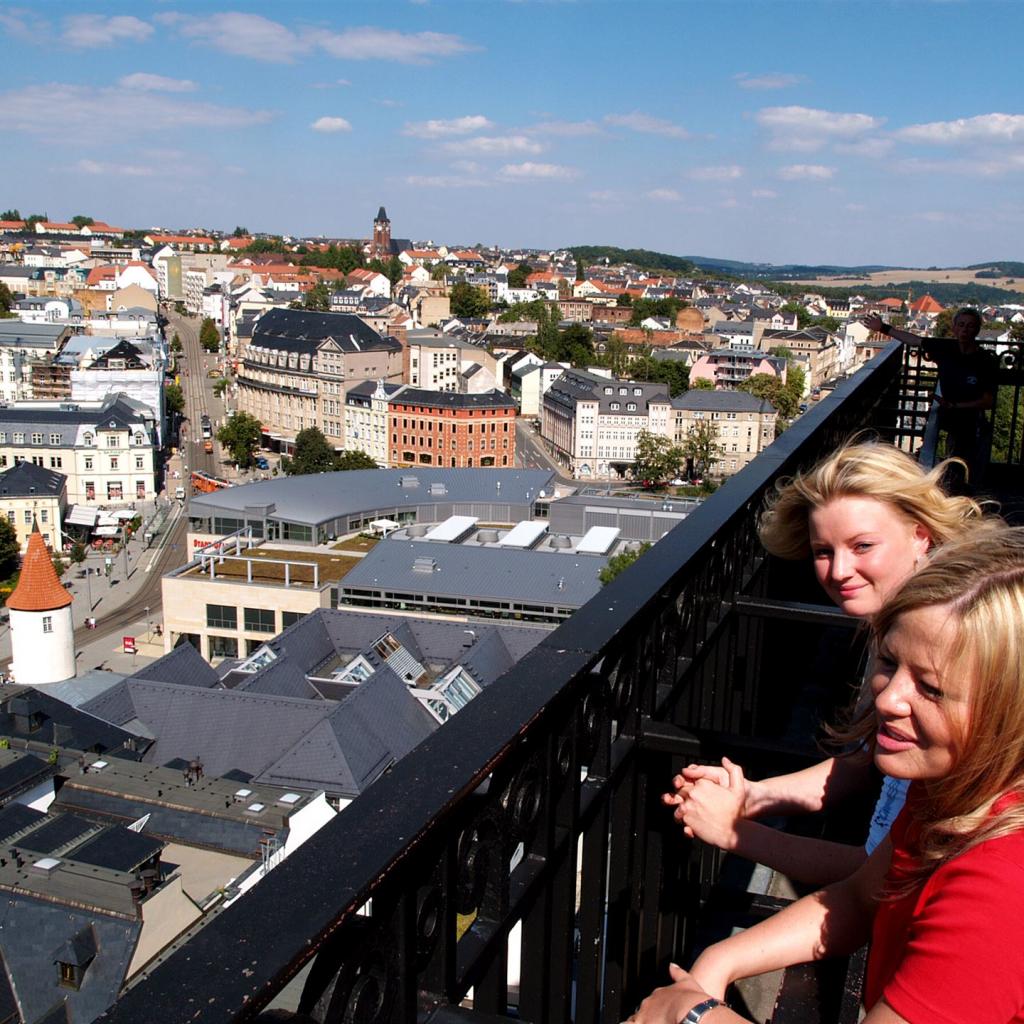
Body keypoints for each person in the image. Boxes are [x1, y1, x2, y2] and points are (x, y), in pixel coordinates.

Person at [631, 525, 1024, 1024]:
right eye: (889, 662)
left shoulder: (1002, 884)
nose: (888, 699)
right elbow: (860, 897)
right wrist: (719, 960)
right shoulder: (954, 787)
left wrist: (691, 1015)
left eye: (931, 688)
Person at [666, 442, 985, 886]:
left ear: (920, 535)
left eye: (862, 546)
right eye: (823, 551)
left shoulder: (950, 640)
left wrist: (736, 832)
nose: (838, 571)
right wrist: (752, 796)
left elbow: (884, 877)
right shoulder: (904, 620)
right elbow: (860, 763)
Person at [861, 309, 998, 483]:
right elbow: (914, 340)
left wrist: (955, 406)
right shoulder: (947, 349)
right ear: (954, 328)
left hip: (970, 422)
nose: (965, 330)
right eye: (961, 325)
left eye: (970, 326)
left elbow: (987, 401)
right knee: (956, 464)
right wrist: (883, 328)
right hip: (951, 417)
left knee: (963, 466)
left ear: (977, 330)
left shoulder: (984, 361)